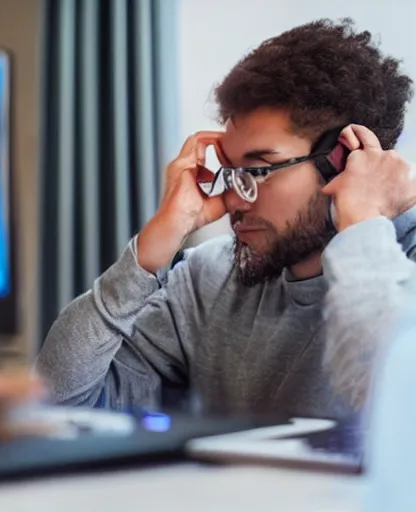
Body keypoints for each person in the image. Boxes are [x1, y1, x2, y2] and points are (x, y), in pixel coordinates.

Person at [36, 18, 416, 419]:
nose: (234, 198)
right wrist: (150, 251)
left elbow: (397, 396)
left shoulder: (402, 264)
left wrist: (360, 223)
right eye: (230, 172)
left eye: (258, 170)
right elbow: (57, 405)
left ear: (340, 162)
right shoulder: (210, 279)